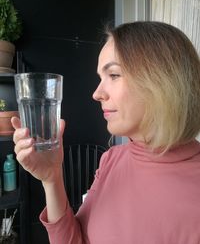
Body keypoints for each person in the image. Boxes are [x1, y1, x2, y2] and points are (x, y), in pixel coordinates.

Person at [11, 21, 200, 244]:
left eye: (114, 75)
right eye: (101, 78)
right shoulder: (111, 159)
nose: (97, 93)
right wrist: (52, 179)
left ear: (162, 79)